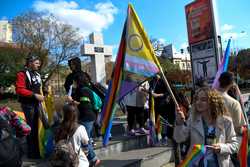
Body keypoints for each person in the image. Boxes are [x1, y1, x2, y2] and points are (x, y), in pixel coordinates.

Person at [174, 87, 239, 167]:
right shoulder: (192, 119)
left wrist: (221, 148)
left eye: (203, 100)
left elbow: (235, 145)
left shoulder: (226, 121)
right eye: (197, 99)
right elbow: (179, 138)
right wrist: (179, 123)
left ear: (212, 102)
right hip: (196, 164)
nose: (198, 102)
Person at [66, 73, 101, 167]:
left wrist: (71, 101)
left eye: (74, 81)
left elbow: (84, 105)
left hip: (86, 117)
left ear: (78, 81)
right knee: (86, 139)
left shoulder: (83, 90)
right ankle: (91, 159)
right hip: (88, 117)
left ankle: (94, 159)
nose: (73, 82)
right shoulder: (83, 89)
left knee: (86, 140)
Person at [15, 55, 44, 158]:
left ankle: (39, 149)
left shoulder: (37, 74)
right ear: (30, 63)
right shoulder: (22, 74)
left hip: (38, 104)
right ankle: (32, 153)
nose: (38, 65)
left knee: (38, 127)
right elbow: (20, 89)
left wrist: (44, 92)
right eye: (36, 63)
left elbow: (38, 88)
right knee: (31, 128)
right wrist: (35, 95)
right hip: (28, 105)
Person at [218, 72, 247, 166]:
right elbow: (238, 128)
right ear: (231, 84)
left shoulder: (207, 98)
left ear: (219, 81)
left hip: (209, 144)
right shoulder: (234, 103)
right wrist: (246, 129)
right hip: (228, 147)